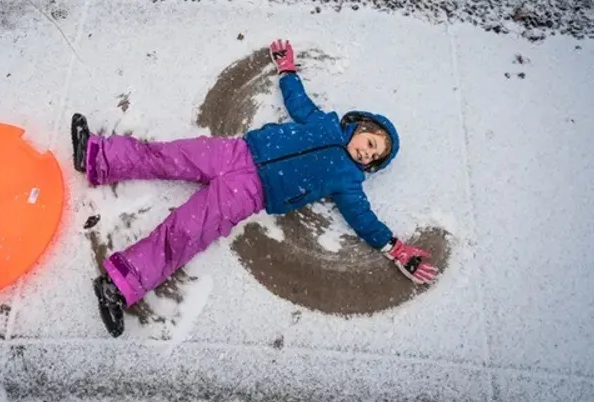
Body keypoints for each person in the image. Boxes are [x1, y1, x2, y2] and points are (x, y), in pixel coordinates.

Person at [72, 39, 438, 337]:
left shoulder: (348, 180)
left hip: (250, 192)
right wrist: (287, 70)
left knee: (185, 231)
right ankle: (97, 156)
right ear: (359, 125)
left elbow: (363, 219)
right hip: (237, 151)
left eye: (372, 155)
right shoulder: (323, 123)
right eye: (369, 140)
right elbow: (299, 102)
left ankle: (120, 287)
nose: (365, 150)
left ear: (369, 166)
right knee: (170, 155)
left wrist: (395, 248)